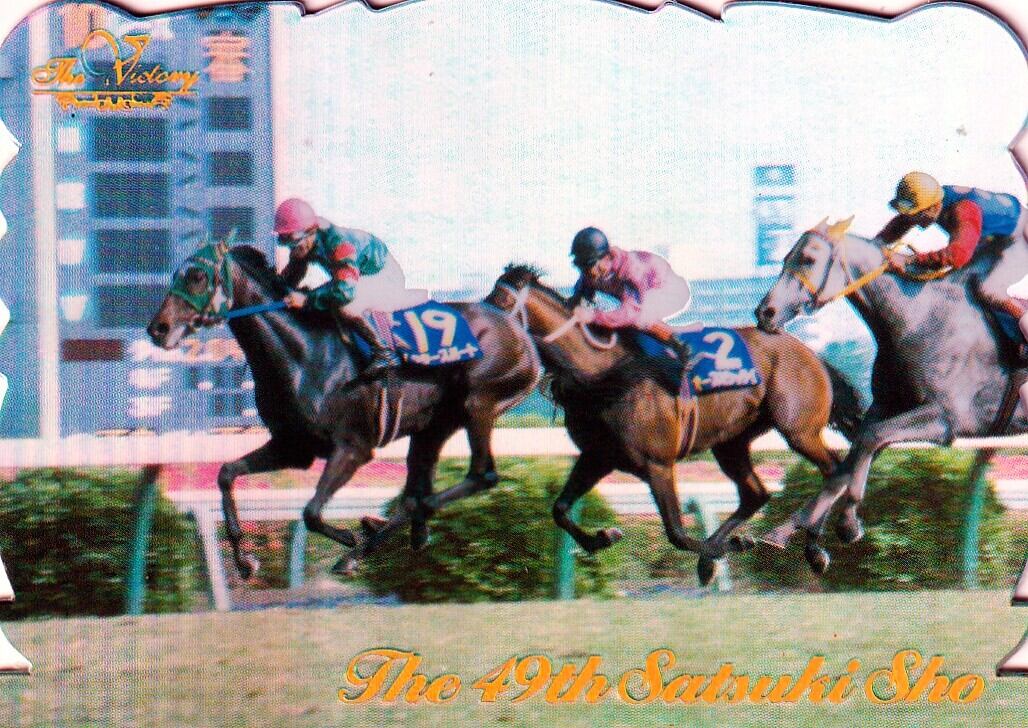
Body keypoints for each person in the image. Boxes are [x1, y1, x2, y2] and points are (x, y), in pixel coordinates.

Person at [878, 172, 1028, 407]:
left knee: (988, 289)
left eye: (917, 215)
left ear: (933, 208)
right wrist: (874, 246)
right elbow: (900, 224)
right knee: (955, 286)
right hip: (993, 235)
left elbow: (957, 256)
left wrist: (910, 260)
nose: (913, 221)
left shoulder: (963, 211)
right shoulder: (930, 200)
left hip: (1019, 238)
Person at [273, 197, 425, 377]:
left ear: (310, 232)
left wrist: (306, 300)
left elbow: (344, 292)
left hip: (382, 276)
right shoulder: (306, 240)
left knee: (345, 306)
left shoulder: (340, 244)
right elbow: (292, 275)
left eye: (293, 242)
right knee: (318, 296)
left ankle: (384, 352)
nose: (291, 249)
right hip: (358, 274)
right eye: (286, 242)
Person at [568, 226, 693, 364]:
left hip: (671, 290)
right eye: (581, 266)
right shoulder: (592, 271)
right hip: (646, 291)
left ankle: (679, 345)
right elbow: (580, 294)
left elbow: (631, 313)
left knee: (640, 319)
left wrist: (593, 316)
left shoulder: (632, 269)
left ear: (607, 257)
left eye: (589, 266)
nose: (587, 272)